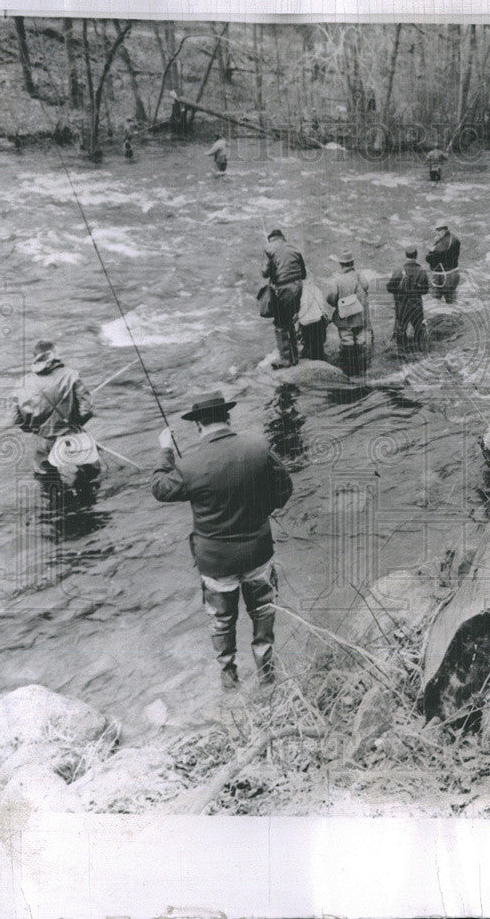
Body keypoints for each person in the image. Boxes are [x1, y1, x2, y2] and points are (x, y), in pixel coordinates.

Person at [151, 391, 293, 691]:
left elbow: (160, 490)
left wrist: (166, 452)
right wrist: (261, 514)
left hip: (216, 563)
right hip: (258, 553)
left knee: (221, 622)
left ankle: (230, 682)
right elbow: (285, 488)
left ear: (198, 426)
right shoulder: (259, 448)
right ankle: (268, 677)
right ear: (227, 418)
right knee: (264, 614)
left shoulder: (189, 466)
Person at [13, 340, 100, 503]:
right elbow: (87, 409)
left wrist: (37, 429)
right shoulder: (71, 375)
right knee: (89, 475)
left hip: (43, 441)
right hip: (72, 436)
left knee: (47, 482)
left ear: (34, 358)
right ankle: (87, 511)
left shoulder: (22, 383)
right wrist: (74, 423)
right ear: (54, 354)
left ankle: (58, 516)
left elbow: (17, 420)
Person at [262, 228, 308, 368]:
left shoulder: (269, 249)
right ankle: (295, 356)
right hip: (298, 287)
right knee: (289, 320)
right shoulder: (294, 248)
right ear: (282, 238)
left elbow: (265, 273)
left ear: (271, 239)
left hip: (283, 289)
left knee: (280, 324)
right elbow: (304, 274)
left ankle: (286, 359)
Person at [325, 252, 371, 375]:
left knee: (347, 339)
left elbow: (331, 297)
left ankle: (349, 371)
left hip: (344, 316)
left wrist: (337, 303)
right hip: (359, 314)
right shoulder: (358, 275)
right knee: (360, 339)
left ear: (340, 264)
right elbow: (366, 287)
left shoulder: (337, 278)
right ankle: (362, 369)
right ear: (352, 263)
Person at [386, 246, 430, 353]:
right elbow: (425, 291)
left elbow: (389, 288)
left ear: (406, 255)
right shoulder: (422, 271)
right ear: (416, 255)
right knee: (419, 330)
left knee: (400, 331)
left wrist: (400, 290)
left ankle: (402, 353)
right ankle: (420, 353)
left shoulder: (399, 270)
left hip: (402, 307)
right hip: (416, 306)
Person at [426, 221, 461, 303]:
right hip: (453, 274)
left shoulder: (443, 244)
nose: (437, 233)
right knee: (452, 303)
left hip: (444, 276)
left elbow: (429, 259)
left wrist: (431, 251)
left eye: (438, 231)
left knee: (435, 302)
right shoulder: (454, 238)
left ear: (443, 230)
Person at [298, 279, 331, 362]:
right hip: (317, 319)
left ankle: (309, 358)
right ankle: (320, 360)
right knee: (318, 343)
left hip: (304, 321)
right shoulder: (316, 289)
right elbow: (321, 305)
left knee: (307, 342)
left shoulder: (297, 290)